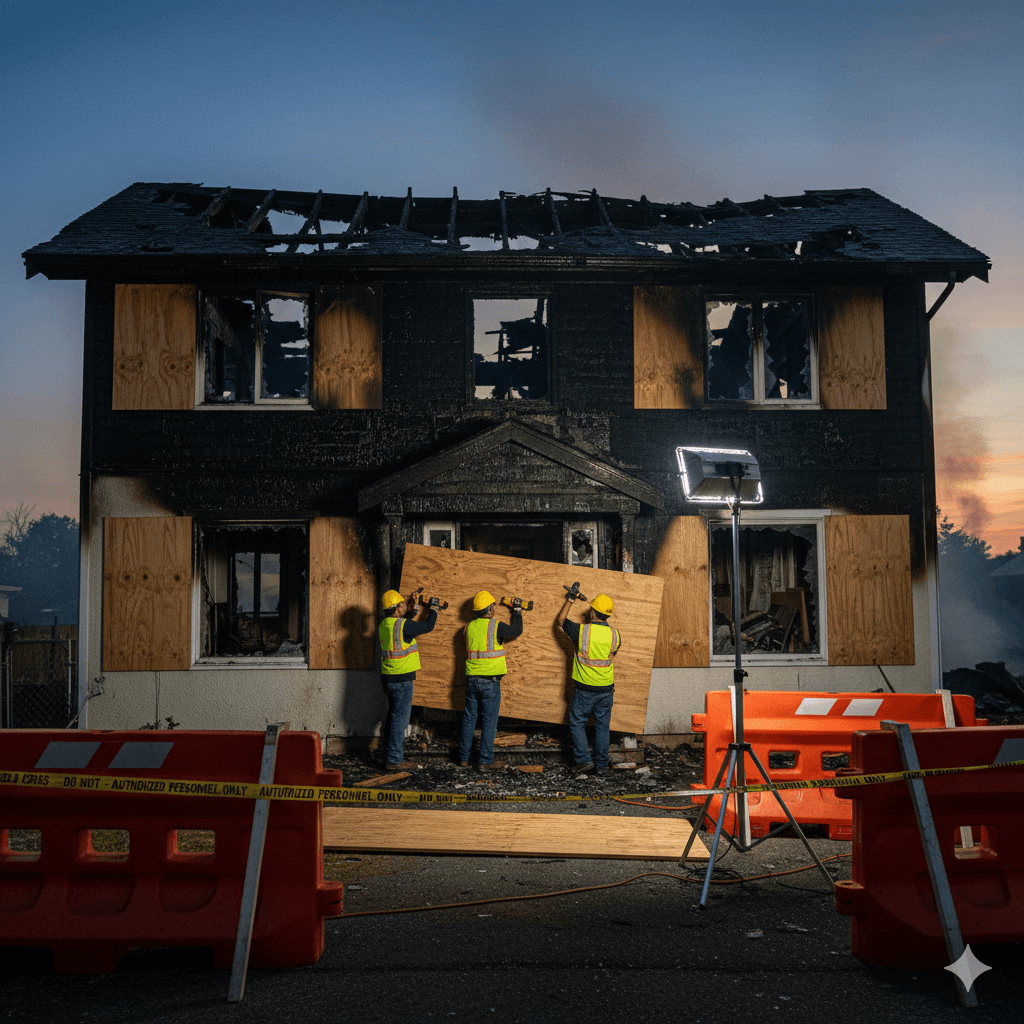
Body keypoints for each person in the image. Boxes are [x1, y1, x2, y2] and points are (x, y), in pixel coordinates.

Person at [557, 591, 621, 775]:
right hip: (606, 690)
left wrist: (570, 599)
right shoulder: (615, 635)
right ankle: (601, 766)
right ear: (607, 614)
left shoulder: (581, 631)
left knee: (577, 723)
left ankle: (584, 760)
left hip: (584, 689)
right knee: (602, 727)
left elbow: (560, 621)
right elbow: (611, 654)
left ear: (592, 613)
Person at [459, 590, 522, 770]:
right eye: (492, 605)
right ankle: (485, 761)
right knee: (489, 722)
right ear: (489, 609)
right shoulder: (496, 626)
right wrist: (516, 610)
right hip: (490, 682)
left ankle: (463, 758)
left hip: (471, 680)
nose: (494, 608)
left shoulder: (467, 627)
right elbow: (516, 631)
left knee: (469, 719)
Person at [378, 588, 438, 771]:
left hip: (389, 678)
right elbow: (427, 626)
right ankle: (394, 761)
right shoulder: (402, 625)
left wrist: (416, 606)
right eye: (402, 604)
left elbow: (406, 624)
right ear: (396, 609)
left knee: (393, 717)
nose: (405, 606)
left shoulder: (385, 624)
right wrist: (434, 609)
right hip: (401, 680)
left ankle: (387, 753)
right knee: (399, 721)